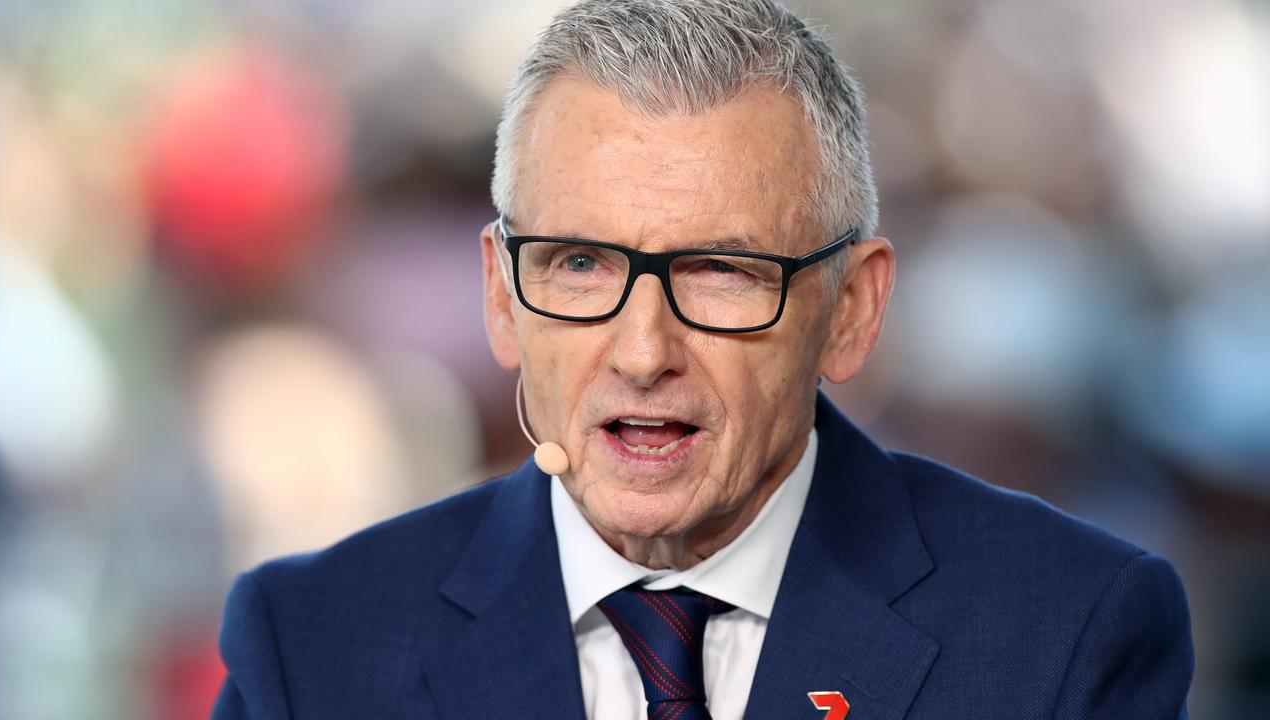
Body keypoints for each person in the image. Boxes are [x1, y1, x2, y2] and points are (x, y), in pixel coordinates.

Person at [211, 1, 1194, 717]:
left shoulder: (1066, 633)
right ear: (500, 299)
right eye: (580, 265)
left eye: (721, 272)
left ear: (849, 311)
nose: (641, 352)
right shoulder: (310, 645)